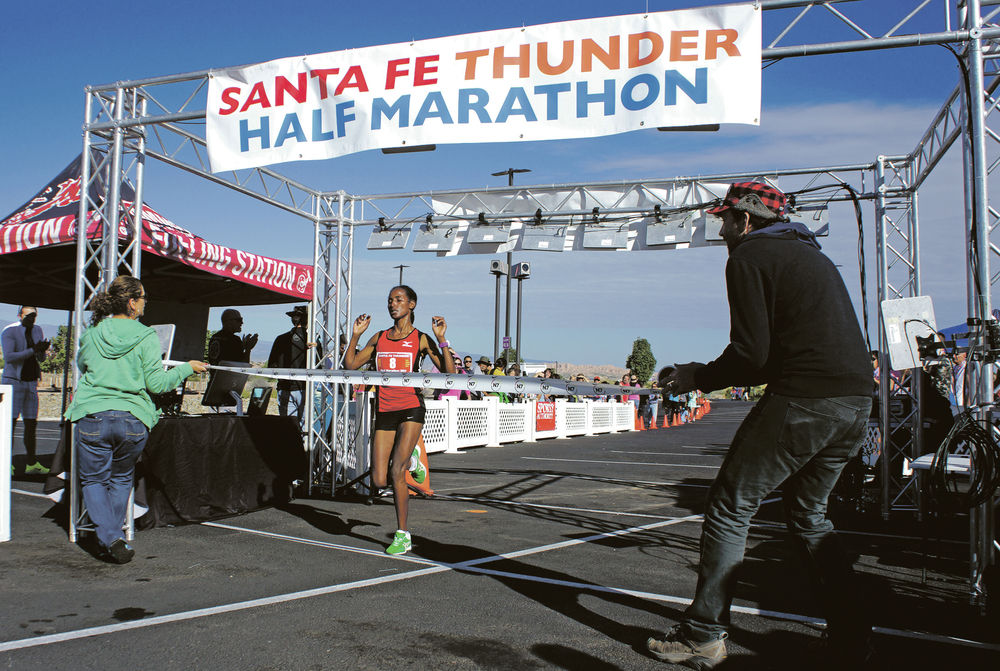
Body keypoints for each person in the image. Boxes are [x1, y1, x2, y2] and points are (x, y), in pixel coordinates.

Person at [649, 182, 874, 668]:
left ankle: (704, 634)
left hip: (807, 399)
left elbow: (753, 355)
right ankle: (853, 636)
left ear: (745, 220)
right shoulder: (809, 254)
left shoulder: (750, 255)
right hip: (855, 402)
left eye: (725, 220)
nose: (722, 229)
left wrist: (697, 377)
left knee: (731, 506)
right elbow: (773, 354)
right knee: (810, 515)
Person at [64, 276, 207, 563]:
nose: (145, 303)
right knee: (120, 479)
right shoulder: (146, 336)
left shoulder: (91, 334)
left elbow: (82, 365)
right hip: (132, 417)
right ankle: (112, 535)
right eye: (143, 298)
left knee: (93, 481)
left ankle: (109, 536)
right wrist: (185, 369)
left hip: (93, 414)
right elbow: (157, 384)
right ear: (132, 302)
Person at [344, 285, 454, 556]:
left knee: (396, 473)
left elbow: (449, 373)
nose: (393, 304)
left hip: (411, 409)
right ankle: (408, 462)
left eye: (399, 300)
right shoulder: (379, 337)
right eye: (390, 300)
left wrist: (442, 339)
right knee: (380, 480)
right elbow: (350, 366)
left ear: (412, 305)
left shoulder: (421, 338)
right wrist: (356, 336)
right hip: (385, 410)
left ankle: (402, 534)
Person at [2, 306, 51, 475]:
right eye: (28, 315)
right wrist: (33, 350)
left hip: (31, 382)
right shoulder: (10, 331)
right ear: (19, 315)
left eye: (34, 315)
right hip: (14, 382)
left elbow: (40, 357)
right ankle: (6, 462)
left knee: (31, 424)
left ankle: (32, 462)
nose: (31, 318)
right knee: (11, 424)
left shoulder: (38, 329)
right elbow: (9, 357)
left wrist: (42, 351)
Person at [267, 305, 321, 425]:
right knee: (305, 429)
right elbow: (320, 367)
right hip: (305, 389)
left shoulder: (280, 339)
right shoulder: (313, 341)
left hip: (285, 388)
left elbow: (271, 367)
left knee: (288, 428)